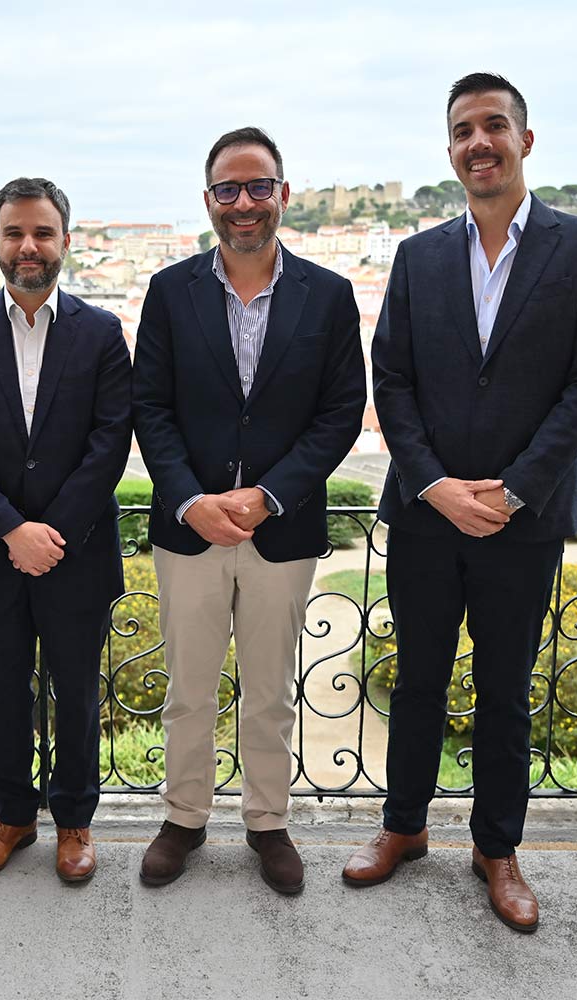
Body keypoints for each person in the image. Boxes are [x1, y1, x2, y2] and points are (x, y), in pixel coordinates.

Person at [341, 74, 577, 933]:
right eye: (463, 130)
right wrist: (433, 484)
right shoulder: (418, 255)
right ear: (450, 149)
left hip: (521, 519)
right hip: (427, 515)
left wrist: (515, 488)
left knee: (506, 691)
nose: (479, 142)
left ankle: (497, 850)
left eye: (494, 125)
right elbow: (391, 379)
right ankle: (403, 828)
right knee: (417, 681)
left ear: (525, 140)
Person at [132, 127, 366, 895]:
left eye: (258, 186)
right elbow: (149, 407)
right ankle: (184, 819)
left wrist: (268, 496)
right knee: (188, 691)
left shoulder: (328, 295)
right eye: (228, 189)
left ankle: (268, 823)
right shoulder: (170, 291)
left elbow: (340, 412)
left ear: (283, 195)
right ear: (208, 200)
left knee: (269, 693)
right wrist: (190, 501)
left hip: (282, 529)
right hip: (189, 531)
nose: (243, 202)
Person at [0, 177, 132, 883]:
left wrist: (53, 532)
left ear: (65, 242)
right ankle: (11, 817)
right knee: (2, 694)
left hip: (77, 553)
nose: (28, 246)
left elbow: (110, 442)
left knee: (76, 696)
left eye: (42, 233)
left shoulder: (101, 333)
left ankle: (74, 821)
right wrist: (12, 529)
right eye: (14, 232)